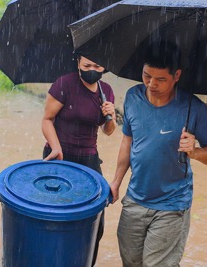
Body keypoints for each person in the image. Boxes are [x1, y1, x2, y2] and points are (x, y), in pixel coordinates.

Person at [109, 41, 207, 267]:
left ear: (177, 75)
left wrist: (196, 152)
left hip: (172, 203)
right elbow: (127, 143)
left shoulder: (194, 108)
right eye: (146, 76)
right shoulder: (133, 97)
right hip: (135, 198)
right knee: (131, 262)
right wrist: (116, 182)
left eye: (160, 79)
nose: (151, 84)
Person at [41, 55, 116, 266]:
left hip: (89, 161)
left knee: (95, 222)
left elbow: (108, 131)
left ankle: (83, 261)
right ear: (78, 64)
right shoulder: (64, 84)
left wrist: (111, 116)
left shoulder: (106, 91)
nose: (91, 69)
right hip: (59, 158)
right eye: (86, 65)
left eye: (97, 66)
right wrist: (56, 146)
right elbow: (47, 120)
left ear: (104, 68)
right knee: (56, 217)